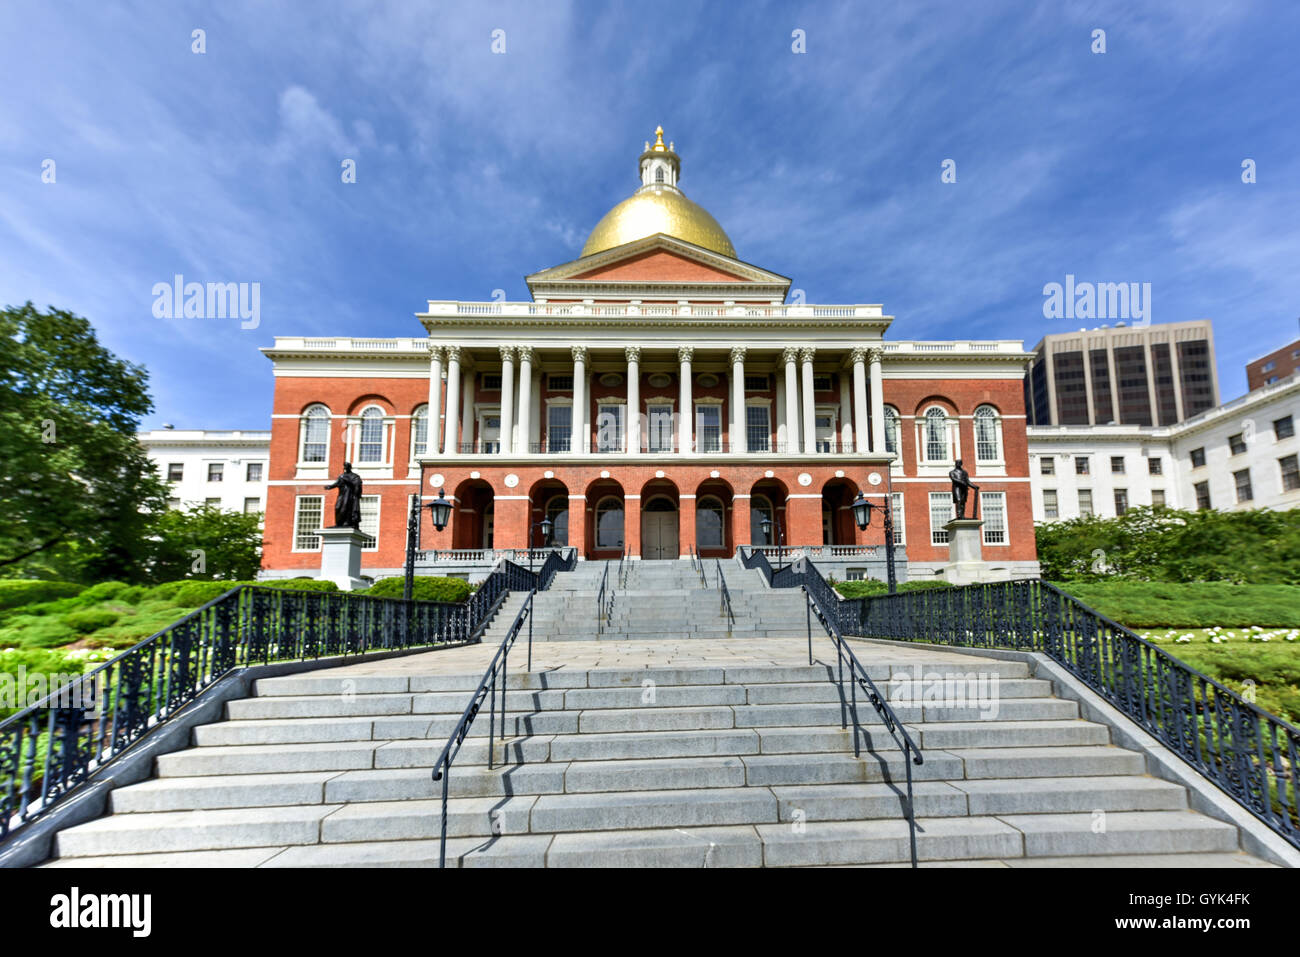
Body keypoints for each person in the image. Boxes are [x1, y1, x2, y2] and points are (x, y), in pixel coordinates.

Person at [325, 462, 363, 529]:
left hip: (350, 495)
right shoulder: (342, 476)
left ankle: (347, 522)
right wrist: (330, 486)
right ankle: (339, 523)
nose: (345, 468)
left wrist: (347, 481)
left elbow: (357, 485)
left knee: (347, 508)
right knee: (338, 507)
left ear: (350, 467)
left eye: (346, 467)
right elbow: (337, 483)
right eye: (345, 467)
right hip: (342, 495)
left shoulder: (354, 476)